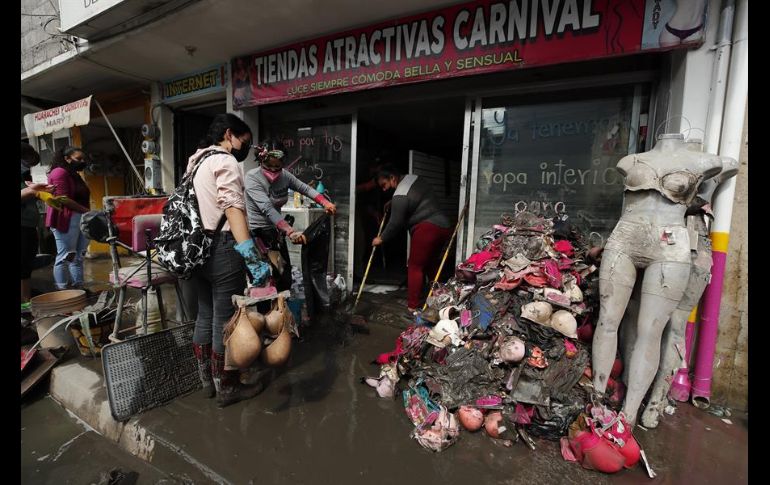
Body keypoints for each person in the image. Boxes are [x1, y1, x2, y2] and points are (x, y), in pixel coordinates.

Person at [591, 133, 722, 426]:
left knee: (650, 331)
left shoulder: (703, 162)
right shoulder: (631, 161)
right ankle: (596, 400)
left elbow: (728, 167)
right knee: (607, 321)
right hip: (625, 238)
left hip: (671, 244)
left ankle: (630, 412)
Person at [187, 113, 272, 408]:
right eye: (244, 141)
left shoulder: (195, 161)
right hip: (223, 248)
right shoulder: (225, 161)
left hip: (197, 249)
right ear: (229, 134)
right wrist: (250, 253)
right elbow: (234, 209)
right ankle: (228, 387)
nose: (244, 148)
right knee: (227, 322)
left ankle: (207, 382)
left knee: (205, 314)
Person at [243, 139, 337, 292]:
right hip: (258, 234)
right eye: (269, 166)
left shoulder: (285, 176)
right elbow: (267, 208)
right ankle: (265, 313)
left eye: (277, 166)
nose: (273, 170)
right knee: (265, 281)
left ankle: (282, 312)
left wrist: (325, 202)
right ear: (261, 161)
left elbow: (304, 188)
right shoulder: (252, 178)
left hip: (275, 232)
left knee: (284, 279)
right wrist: (290, 231)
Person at [372, 164, 452, 313]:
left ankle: (413, 306)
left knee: (415, 266)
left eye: (384, 185)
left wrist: (381, 238)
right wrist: (393, 203)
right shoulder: (413, 178)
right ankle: (441, 296)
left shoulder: (399, 196)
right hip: (443, 226)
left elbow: (395, 223)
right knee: (430, 264)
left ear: (392, 178)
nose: (384, 189)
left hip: (428, 228)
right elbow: (413, 198)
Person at [45, 146, 92, 291]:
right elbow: (63, 199)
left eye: (83, 159)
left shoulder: (74, 174)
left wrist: (86, 214)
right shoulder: (60, 172)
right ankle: (63, 291)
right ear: (67, 158)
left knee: (78, 257)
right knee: (66, 256)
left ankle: (79, 287)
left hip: (81, 218)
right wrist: (88, 212)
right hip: (66, 219)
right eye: (78, 159)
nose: (82, 161)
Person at [20, 142, 52, 304]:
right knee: (23, 264)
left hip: (29, 223)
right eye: (29, 158)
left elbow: (39, 191)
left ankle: (26, 299)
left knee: (26, 263)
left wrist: (46, 194)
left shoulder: (31, 172)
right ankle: (25, 300)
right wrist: (34, 190)